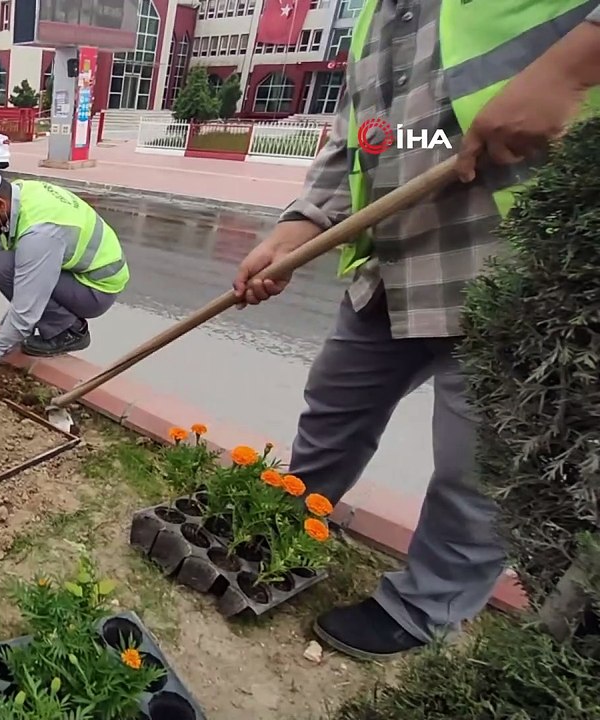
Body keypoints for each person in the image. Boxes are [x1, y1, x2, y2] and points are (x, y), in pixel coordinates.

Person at [231, 0, 600, 661]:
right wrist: (302, 222)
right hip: (396, 259)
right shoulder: (377, 13)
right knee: (334, 406)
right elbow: (367, 137)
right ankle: (289, 520)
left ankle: (426, 606)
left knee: (474, 466)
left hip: (517, 261)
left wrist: (571, 70)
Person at [0, 165, 128, 377]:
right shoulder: (15, 195)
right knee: (5, 262)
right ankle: (51, 322)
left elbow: (26, 308)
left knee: (8, 268)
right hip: (76, 273)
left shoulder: (41, 234)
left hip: (97, 289)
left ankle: (70, 331)